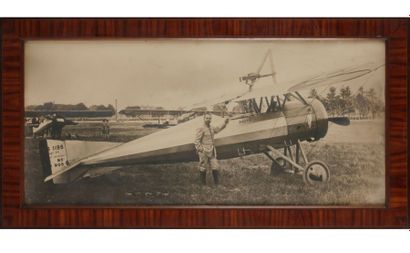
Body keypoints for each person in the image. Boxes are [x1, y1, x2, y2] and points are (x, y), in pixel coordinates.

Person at [194, 113, 229, 186]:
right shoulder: (201, 128)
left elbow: (217, 129)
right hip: (204, 151)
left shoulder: (211, 127)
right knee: (203, 167)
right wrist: (201, 149)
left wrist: (224, 123)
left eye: (210, 118)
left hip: (212, 150)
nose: (208, 120)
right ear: (204, 119)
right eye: (207, 118)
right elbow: (196, 141)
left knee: (215, 166)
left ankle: (217, 184)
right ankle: (203, 185)